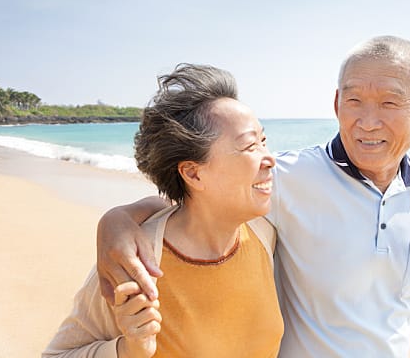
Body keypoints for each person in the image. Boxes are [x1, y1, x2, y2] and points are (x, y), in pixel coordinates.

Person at [97, 35, 410, 357]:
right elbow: (204, 195)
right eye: (354, 100)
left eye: (390, 103)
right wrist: (119, 219)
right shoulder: (289, 175)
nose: (368, 121)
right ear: (336, 103)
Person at [43, 63, 284, 357]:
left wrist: (120, 215)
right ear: (194, 174)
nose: (270, 158)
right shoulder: (137, 261)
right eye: (249, 146)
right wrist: (128, 350)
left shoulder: (264, 233)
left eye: (263, 140)